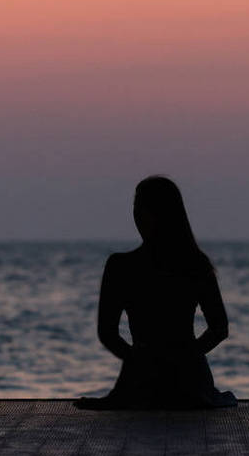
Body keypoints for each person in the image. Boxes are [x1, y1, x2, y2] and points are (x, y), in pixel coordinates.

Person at [74, 175, 237, 409]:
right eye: (136, 207)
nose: (138, 215)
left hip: (148, 377)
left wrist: (143, 361)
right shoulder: (196, 264)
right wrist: (184, 357)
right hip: (185, 376)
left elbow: (107, 333)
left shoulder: (122, 266)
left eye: (143, 208)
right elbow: (219, 328)